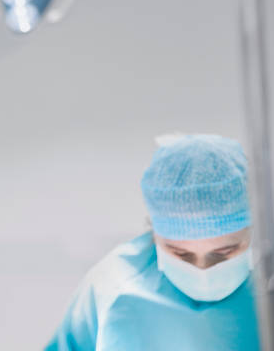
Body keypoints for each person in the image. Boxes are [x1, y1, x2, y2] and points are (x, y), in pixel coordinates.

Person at [45, 134, 259, 351]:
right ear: (154, 234)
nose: (202, 270)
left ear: (253, 231)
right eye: (181, 254)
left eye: (223, 253)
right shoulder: (112, 288)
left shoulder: (266, 283)